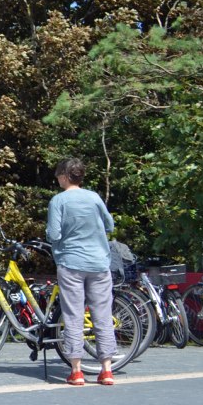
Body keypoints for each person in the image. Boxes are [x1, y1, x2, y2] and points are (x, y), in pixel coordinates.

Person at [47, 157, 117, 386]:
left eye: (59, 175)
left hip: (71, 263)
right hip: (99, 264)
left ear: (66, 176)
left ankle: (76, 371)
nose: (57, 178)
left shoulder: (58, 201)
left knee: (73, 315)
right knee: (103, 315)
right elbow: (110, 225)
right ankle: (106, 370)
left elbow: (54, 235)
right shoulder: (94, 197)